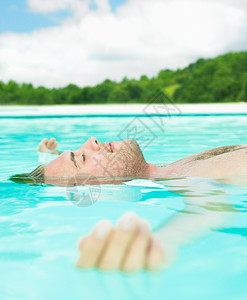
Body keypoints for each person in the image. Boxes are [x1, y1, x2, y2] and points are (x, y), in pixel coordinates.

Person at [11, 137, 243, 272]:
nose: (91, 141)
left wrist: (46, 158)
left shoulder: (175, 168)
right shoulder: (190, 180)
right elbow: (211, 210)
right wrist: (154, 246)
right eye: (81, 157)